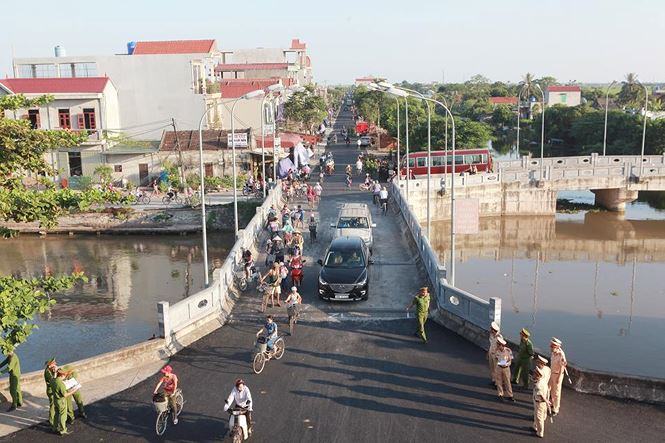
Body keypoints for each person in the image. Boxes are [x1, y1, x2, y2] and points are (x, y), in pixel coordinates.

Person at [549, 337, 567, 416]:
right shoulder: (553, 352)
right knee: (551, 390)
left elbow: (562, 367)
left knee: (556, 392)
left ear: (557, 347)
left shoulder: (561, 355)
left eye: (552, 346)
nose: (551, 347)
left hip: (557, 375)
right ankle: (552, 403)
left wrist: (559, 378)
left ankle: (555, 409)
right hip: (552, 373)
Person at [532, 366, 551, 438]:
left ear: (537, 375)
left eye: (534, 374)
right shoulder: (543, 381)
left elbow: (541, 395)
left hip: (539, 402)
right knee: (539, 416)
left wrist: (546, 401)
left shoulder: (538, 385)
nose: (533, 375)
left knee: (539, 417)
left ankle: (540, 432)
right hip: (540, 402)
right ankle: (535, 426)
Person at [494, 336, 514, 402]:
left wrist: (506, 363)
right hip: (499, 368)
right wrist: (501, 363)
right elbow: (496, 359)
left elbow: (510, 360)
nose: (497, 346)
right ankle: (500, 394)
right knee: (498, 381)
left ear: (502, 345)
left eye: (498, 345)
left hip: (506, 368)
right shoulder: (496, 351)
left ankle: (510, 395)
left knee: (507, 382)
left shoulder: (508, 351)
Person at [44, 359, 58, 431]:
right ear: (49, 365)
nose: (55, 364)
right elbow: (53, 380)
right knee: (52, 405)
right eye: (53, 363)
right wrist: (55, 372)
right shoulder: (47, 372)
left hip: (53, 390)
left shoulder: (50, 370)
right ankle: (51, 420)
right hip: (51, 391)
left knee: (54, 404)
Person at [488, 322, 500, 386]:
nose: (490, 329)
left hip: (496, 355)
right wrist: (488, 352)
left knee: (496, 368)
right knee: (492, 367)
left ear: (493, 330)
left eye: (491, 328)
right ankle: (493, 379)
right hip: (491, 353)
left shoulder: (499, 337)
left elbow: (500, 347)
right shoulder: (491, 335)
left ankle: (497, 382)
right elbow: (491, 344)